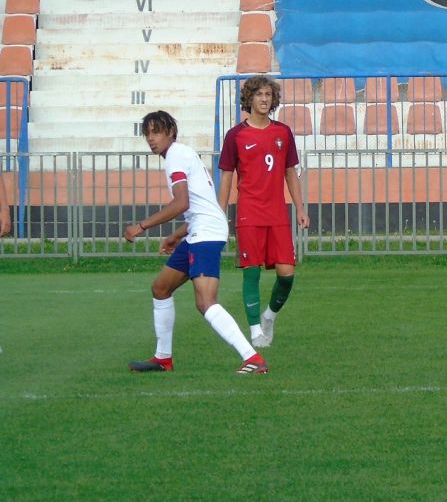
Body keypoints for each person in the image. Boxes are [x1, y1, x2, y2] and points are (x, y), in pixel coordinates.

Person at [125, 110, 269, 374]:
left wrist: (141, 226)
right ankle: (163, 358)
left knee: (205, 302)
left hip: (206, 234)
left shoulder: (175, 156)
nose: (151, 139)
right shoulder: (181, 154)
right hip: (198, 231)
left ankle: (253, 358)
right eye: (147, 134)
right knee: (160, 288)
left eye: (156, 132)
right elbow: (200, 205)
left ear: (170, 132)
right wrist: (177, 235)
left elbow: (181, 203)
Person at [218, 75, 309, 348]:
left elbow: (290, 173)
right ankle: (255, 331)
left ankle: (269, 316)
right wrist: (220, 212)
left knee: (287, 274)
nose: (264, 99)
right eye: (259, 94)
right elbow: (226, 177)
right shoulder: (235, 135)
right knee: (252, 271)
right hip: (249, 212)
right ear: (249, 98)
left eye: (268, 94)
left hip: (277, 214)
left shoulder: (283, 132)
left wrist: (300, 208)